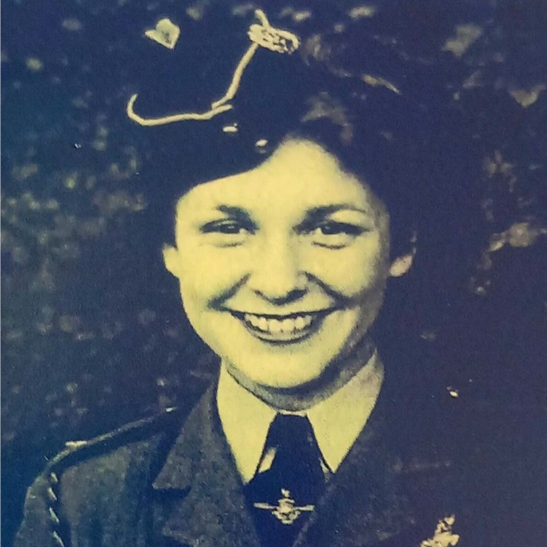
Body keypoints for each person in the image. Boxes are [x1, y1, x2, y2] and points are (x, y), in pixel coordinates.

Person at [14, 6, 500, 547]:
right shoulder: (87, 503)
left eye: (329, 229)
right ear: (171, 248)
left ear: (402, 245)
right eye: (228, 228)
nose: (277, 282)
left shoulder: (509, 469)